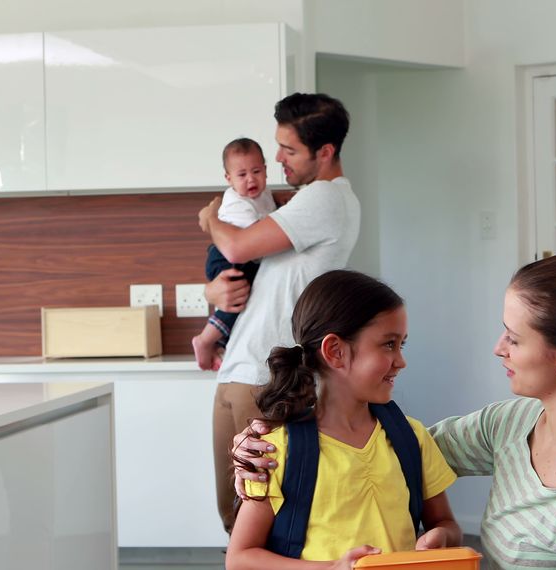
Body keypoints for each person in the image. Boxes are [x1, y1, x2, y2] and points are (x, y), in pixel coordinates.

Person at [234, 253, 556, 569]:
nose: (499, 347)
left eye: (514, 338)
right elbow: (379, 452)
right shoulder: (512, 424)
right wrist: (261, 443)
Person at [198, 92, 361, 534]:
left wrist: (210, 218)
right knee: (234, 517)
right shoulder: (299, 204)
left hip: (267, 380)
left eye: (289, 150)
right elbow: (247, 273)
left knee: (263, 521)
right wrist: (213, 290)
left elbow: (233, 245)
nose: (278, 159)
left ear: (324, 152)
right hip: (239, 371)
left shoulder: (326, 198)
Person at [226, 270, 462, 570]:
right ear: (335, 351)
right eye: (389, 344)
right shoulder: (274, 453)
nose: (401, 361)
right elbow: (240, 558)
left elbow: (445, 522)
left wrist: (441, 536)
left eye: (402, 345)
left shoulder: (411, 437)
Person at [191, 137, 276, 371]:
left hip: (241, 257)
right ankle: (205, 339)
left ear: (266, 171)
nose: (251, 179)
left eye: (256, 171)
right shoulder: (235, 203)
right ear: (228, 179)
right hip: (225, 256)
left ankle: (220, 344)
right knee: (235, 300)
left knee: (241, 302)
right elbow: (252, 239)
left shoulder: (264, 195)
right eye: (241, 175)